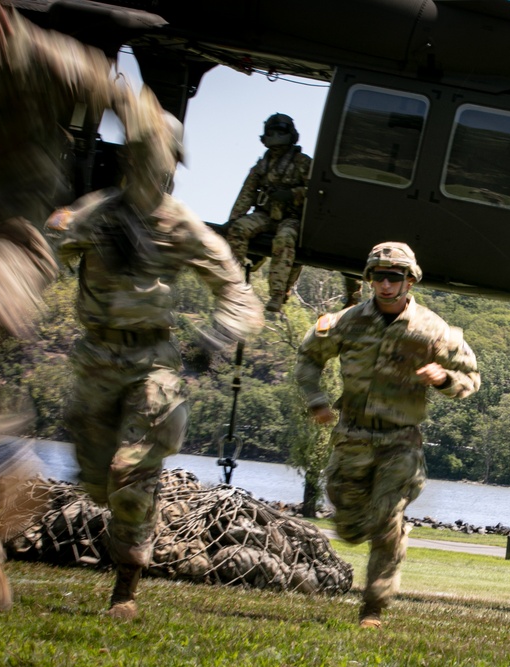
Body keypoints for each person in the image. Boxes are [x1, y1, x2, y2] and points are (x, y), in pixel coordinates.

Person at [47, 89, 265, 620]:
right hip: (96, 355)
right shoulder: (97, 212)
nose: (147, 165)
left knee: (130, 473)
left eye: (156, 156)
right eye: (140, 154)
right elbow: (42, 250)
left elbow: (238, 292)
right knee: (95, 477)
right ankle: (125, 527)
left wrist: (216, 337)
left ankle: (127, 586)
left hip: (152, 362)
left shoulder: (179, 224)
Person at [0, 0, 139, 616]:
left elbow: (136, 110)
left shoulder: (45, 58)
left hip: (6, 244)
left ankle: (14, 460)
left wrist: (135, 194)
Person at [295, 242, 480, 628]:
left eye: (394, 277)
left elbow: (470, 378)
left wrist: (444, 378)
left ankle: (373, 609)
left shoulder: (432, 329)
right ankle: (381, 533)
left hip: (400, 440)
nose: (385, 284)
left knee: (386, 521)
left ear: (409, 281)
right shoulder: (346, 322)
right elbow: (309, 357)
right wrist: (316, 400)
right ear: (368, 279)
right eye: (378, 276)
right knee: (348, 526)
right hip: (352, 434)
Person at [225, 113, 362, 312]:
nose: (275, 139)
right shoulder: (262, 166)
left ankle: (278, 294)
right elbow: (246, 194)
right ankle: (232, 282)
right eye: (271, 134)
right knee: (238, 229)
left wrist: (292, 194)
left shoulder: (303, 163)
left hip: (293, 218)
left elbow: (317, 192)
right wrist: (234, 218)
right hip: (265, 214)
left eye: (280, 133)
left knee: (285, 238)